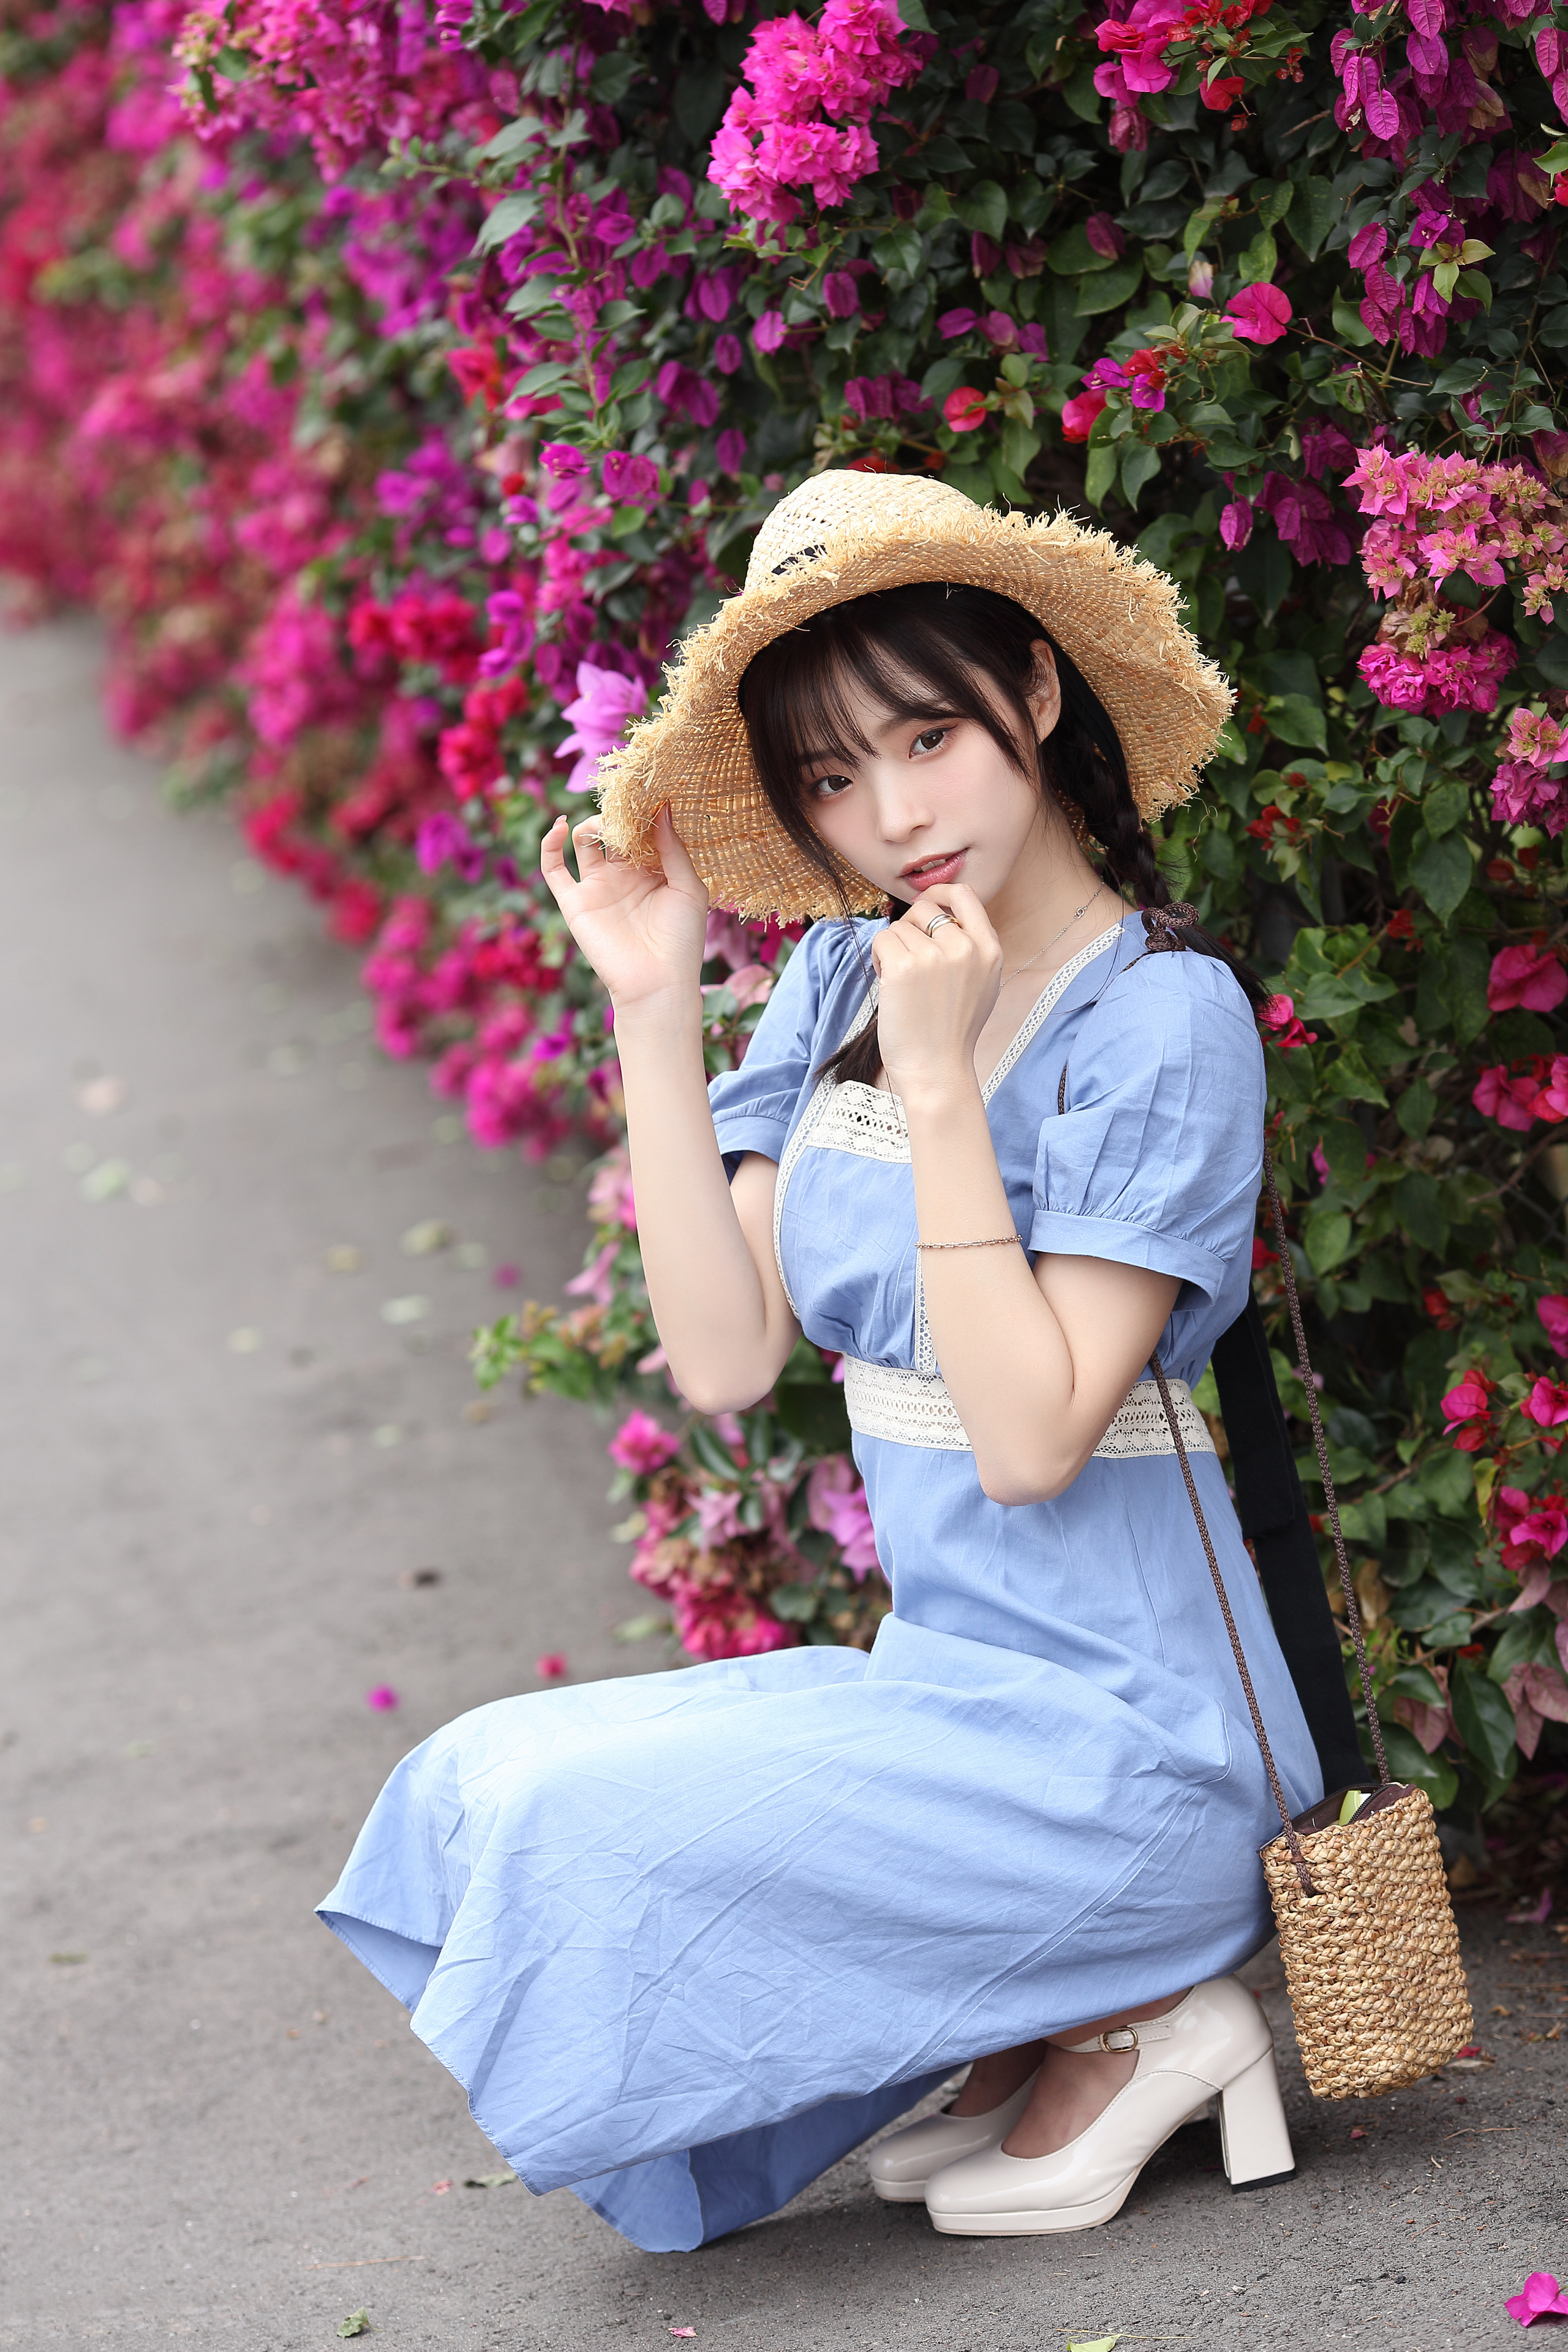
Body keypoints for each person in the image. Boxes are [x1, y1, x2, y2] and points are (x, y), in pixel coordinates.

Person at [317, 471, 1321, 2253]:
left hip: (1133, 1750)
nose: (893, 815)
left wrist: (939, 1089)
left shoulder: (1162, 1021)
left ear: (1029, 685)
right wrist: (650, 1000)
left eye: (925, 734)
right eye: (832, 780)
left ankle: (1146, 1994)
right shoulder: (838, 979)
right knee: (483, 1778)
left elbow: (1025, 1444)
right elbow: (725, 1354)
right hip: (946, 1693)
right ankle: (1070, 2015)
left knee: (579, 1832)